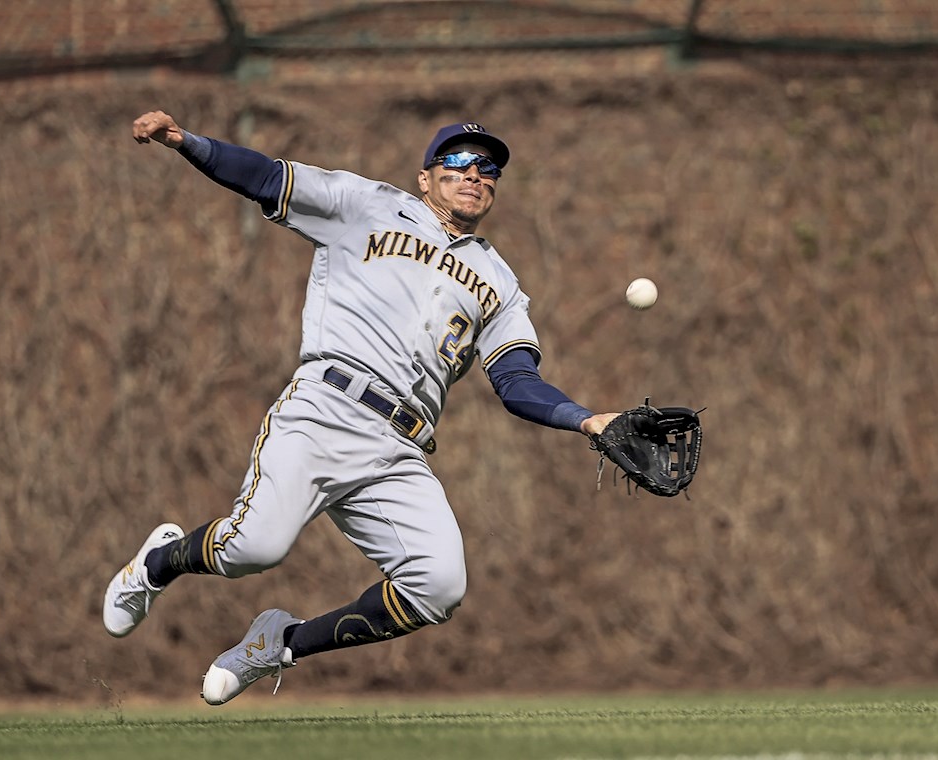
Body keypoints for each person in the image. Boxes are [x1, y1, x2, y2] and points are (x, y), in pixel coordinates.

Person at [104, 111, 619, 705]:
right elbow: (266, 177)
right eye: (457, 161)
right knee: (254, 550)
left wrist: (587, 419)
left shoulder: (500, 283)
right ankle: (156, 565)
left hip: (399, 447)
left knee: (438, 587)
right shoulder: (365, 204)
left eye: (488, 168)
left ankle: (278, 644)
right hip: (326, 408)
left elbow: (517, 381)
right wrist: (185, 142)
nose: (475, 174)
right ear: (425, 177)